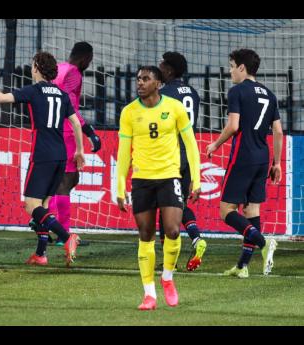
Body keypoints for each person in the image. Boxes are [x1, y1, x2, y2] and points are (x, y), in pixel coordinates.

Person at [0, 51, 85, 266]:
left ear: (36, 68)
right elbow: (76, 123)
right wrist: (80, 150)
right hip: (61, 155)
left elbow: (0, 98)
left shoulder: (34, 91)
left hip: (42, 154)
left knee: (30, 205)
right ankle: (41, 254)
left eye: (32, 65)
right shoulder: (62, 94)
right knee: (43, 206)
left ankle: (66, 237)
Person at [116, 66, 201, 310]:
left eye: (145, 79)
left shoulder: (174, 108)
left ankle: (167, 278)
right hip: (142, 180)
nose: (140, 83)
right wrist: (120, 187)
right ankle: (149, 294)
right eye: (138, 79)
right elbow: (123, 153)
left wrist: (196, 179)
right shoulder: (129, 112)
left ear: (158, 83)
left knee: (173, 230)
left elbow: (191, 145)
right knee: (145, 235)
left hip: (170, 176)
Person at [206, 48, 282, 278]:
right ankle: (242, 267)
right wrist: (277, 163)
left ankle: (263, 242)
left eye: (231, 66)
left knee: (226, 210)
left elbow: (233, 126)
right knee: (251, 211)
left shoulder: (237, 91)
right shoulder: (270, 94)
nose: (230, 72)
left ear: (241, 67)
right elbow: (278, 131)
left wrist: (215, 145)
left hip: (243, 156)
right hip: (263, 157)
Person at [46, 42, 101, 247]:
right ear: (86, 58)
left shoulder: (58, 68)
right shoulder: (75, 73)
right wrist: (89, 132)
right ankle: (63, 234)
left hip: (50, 130)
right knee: (67, 181)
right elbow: (69, 105)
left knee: (54, 181)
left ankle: (45, 222)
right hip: (67, 131)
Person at [158, 51, 207, 271]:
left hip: (171, 154)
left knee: (165, 205)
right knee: (179, 205)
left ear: (169, 69)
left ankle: (175, 256)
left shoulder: (165, 93)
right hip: (189, 153)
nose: (159, 67)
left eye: (162, 64)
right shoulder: (193, 93)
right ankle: (195, 240)